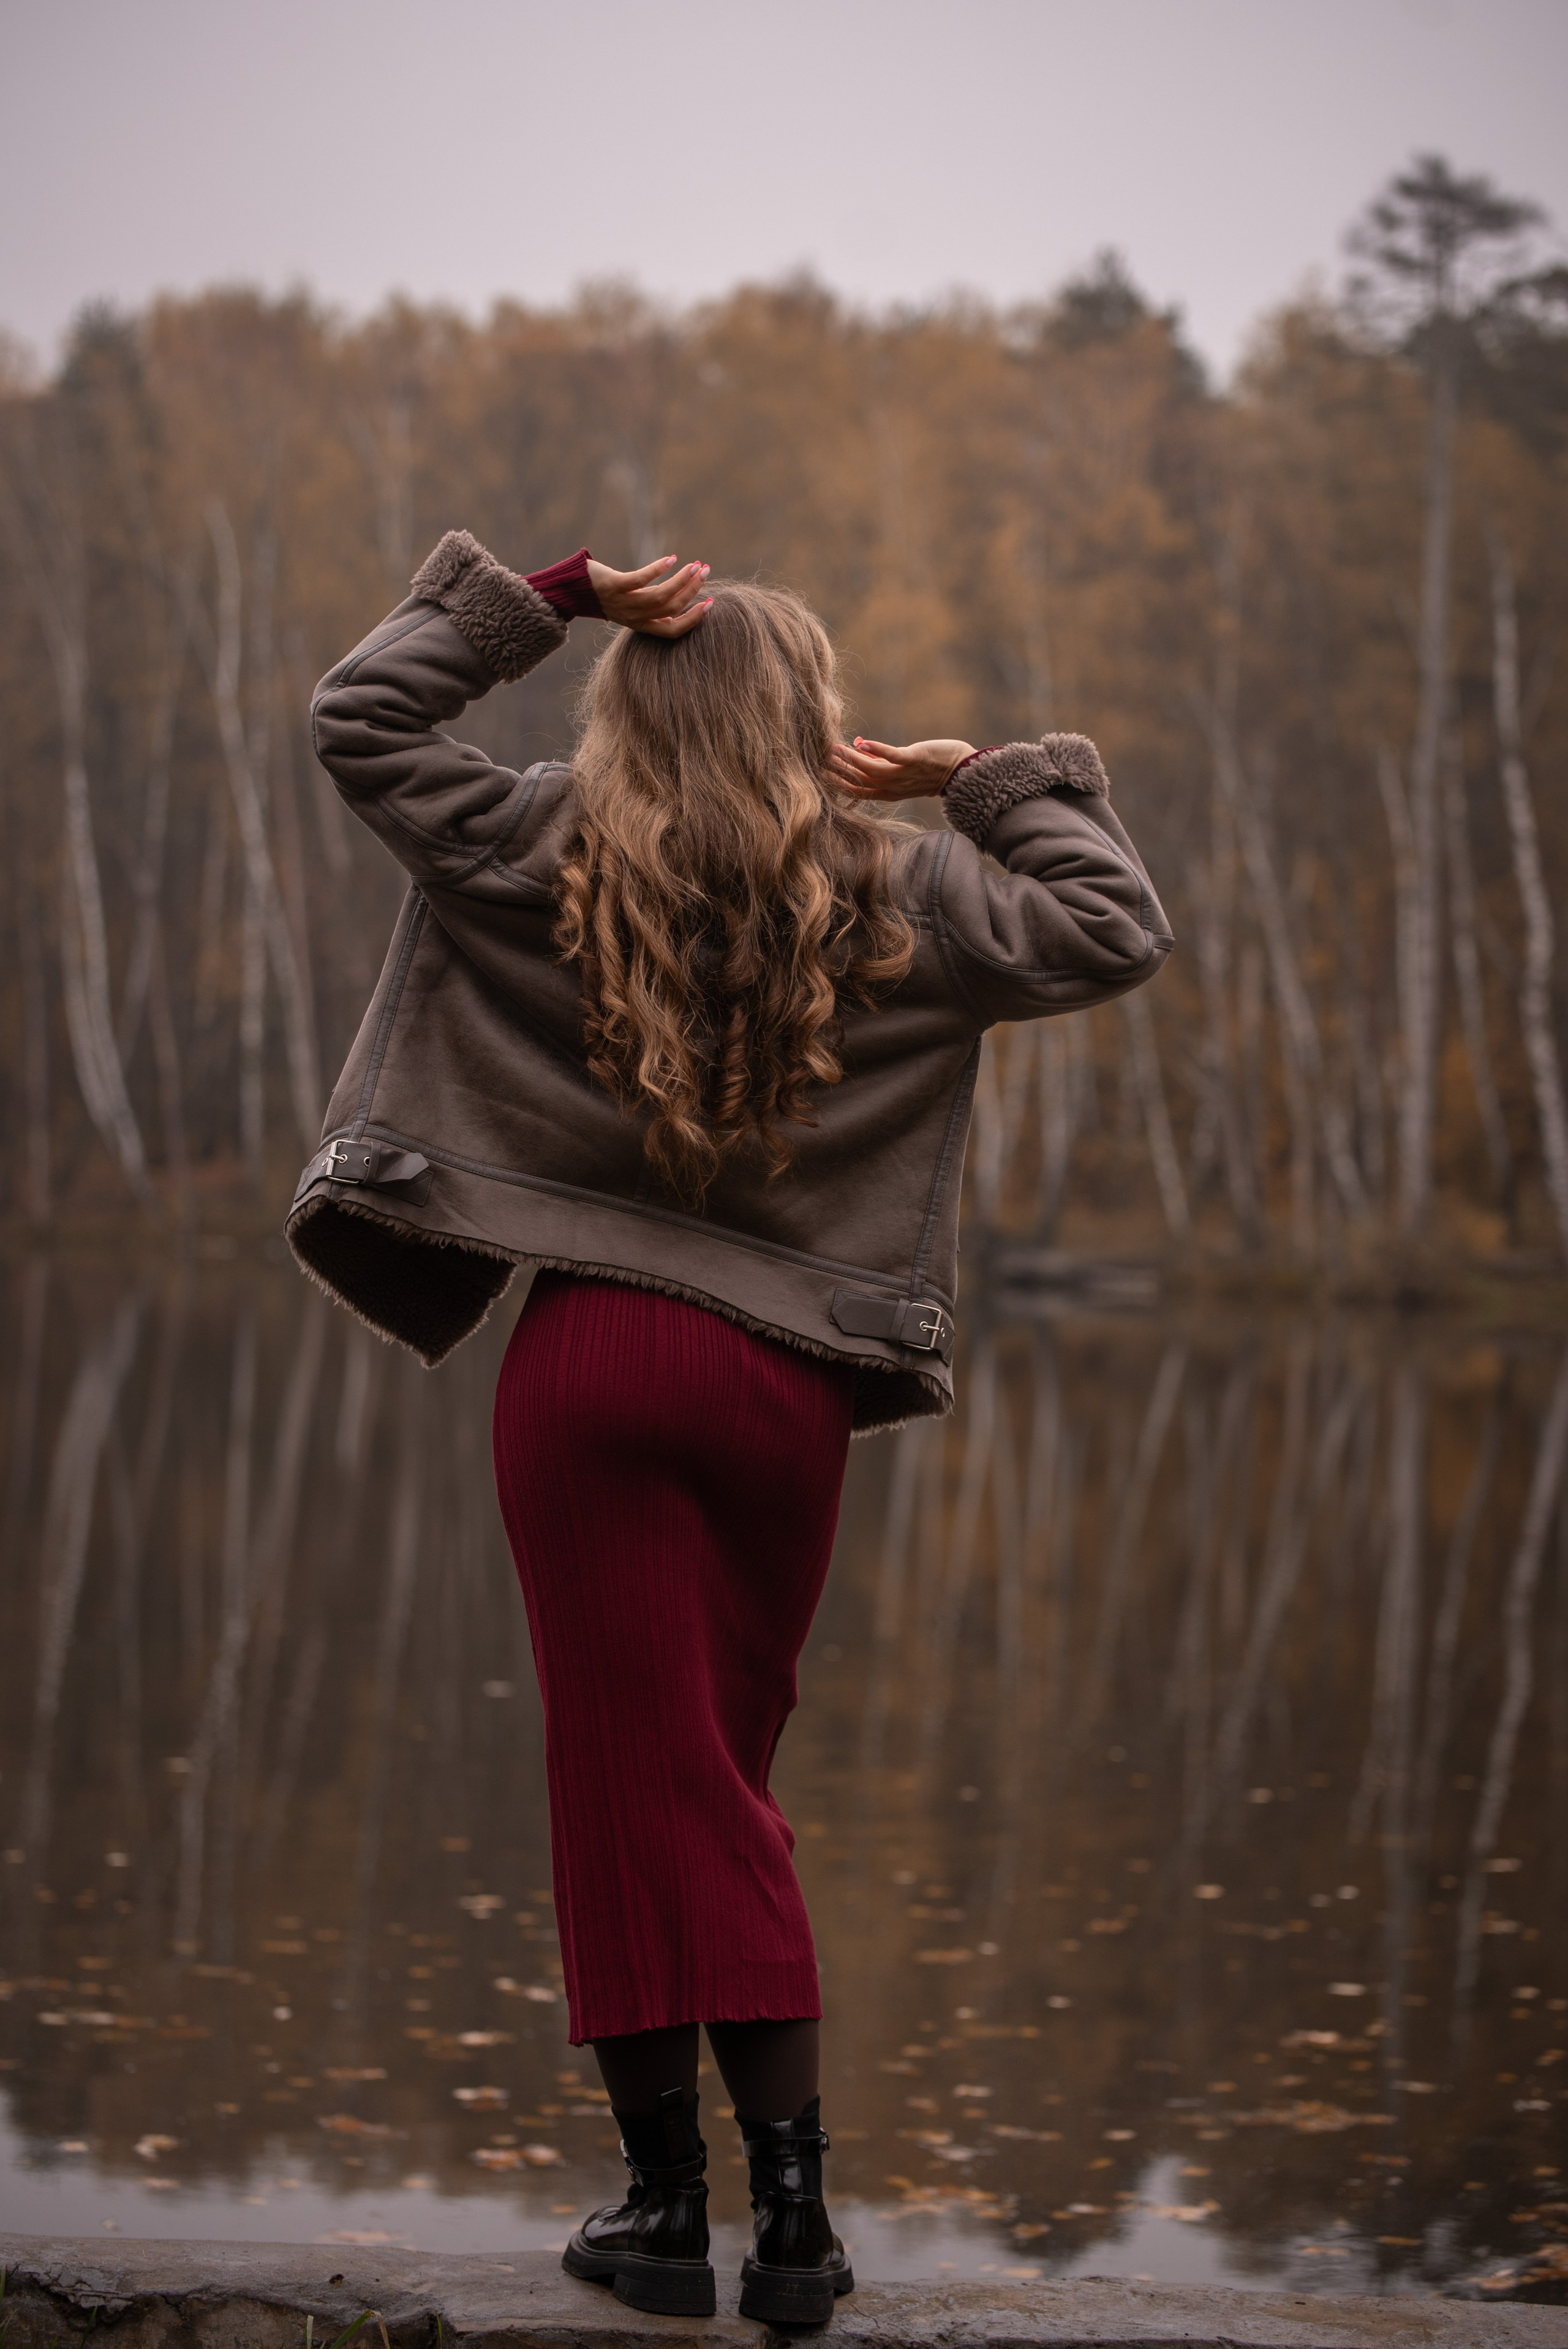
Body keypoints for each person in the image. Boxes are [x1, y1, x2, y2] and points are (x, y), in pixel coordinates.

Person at [290, 533, 1172, 2322]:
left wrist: (551, 591)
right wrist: (987, 780)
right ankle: (775, 2222)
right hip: (785, 1387)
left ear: (631, 699)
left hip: (593, 1367)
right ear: (812, 718)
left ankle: (690, 2215)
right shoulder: (902, 884)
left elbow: (359, 716)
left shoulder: (541, 841)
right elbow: (1114, 923)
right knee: (720, 1775)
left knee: (639, 1780)